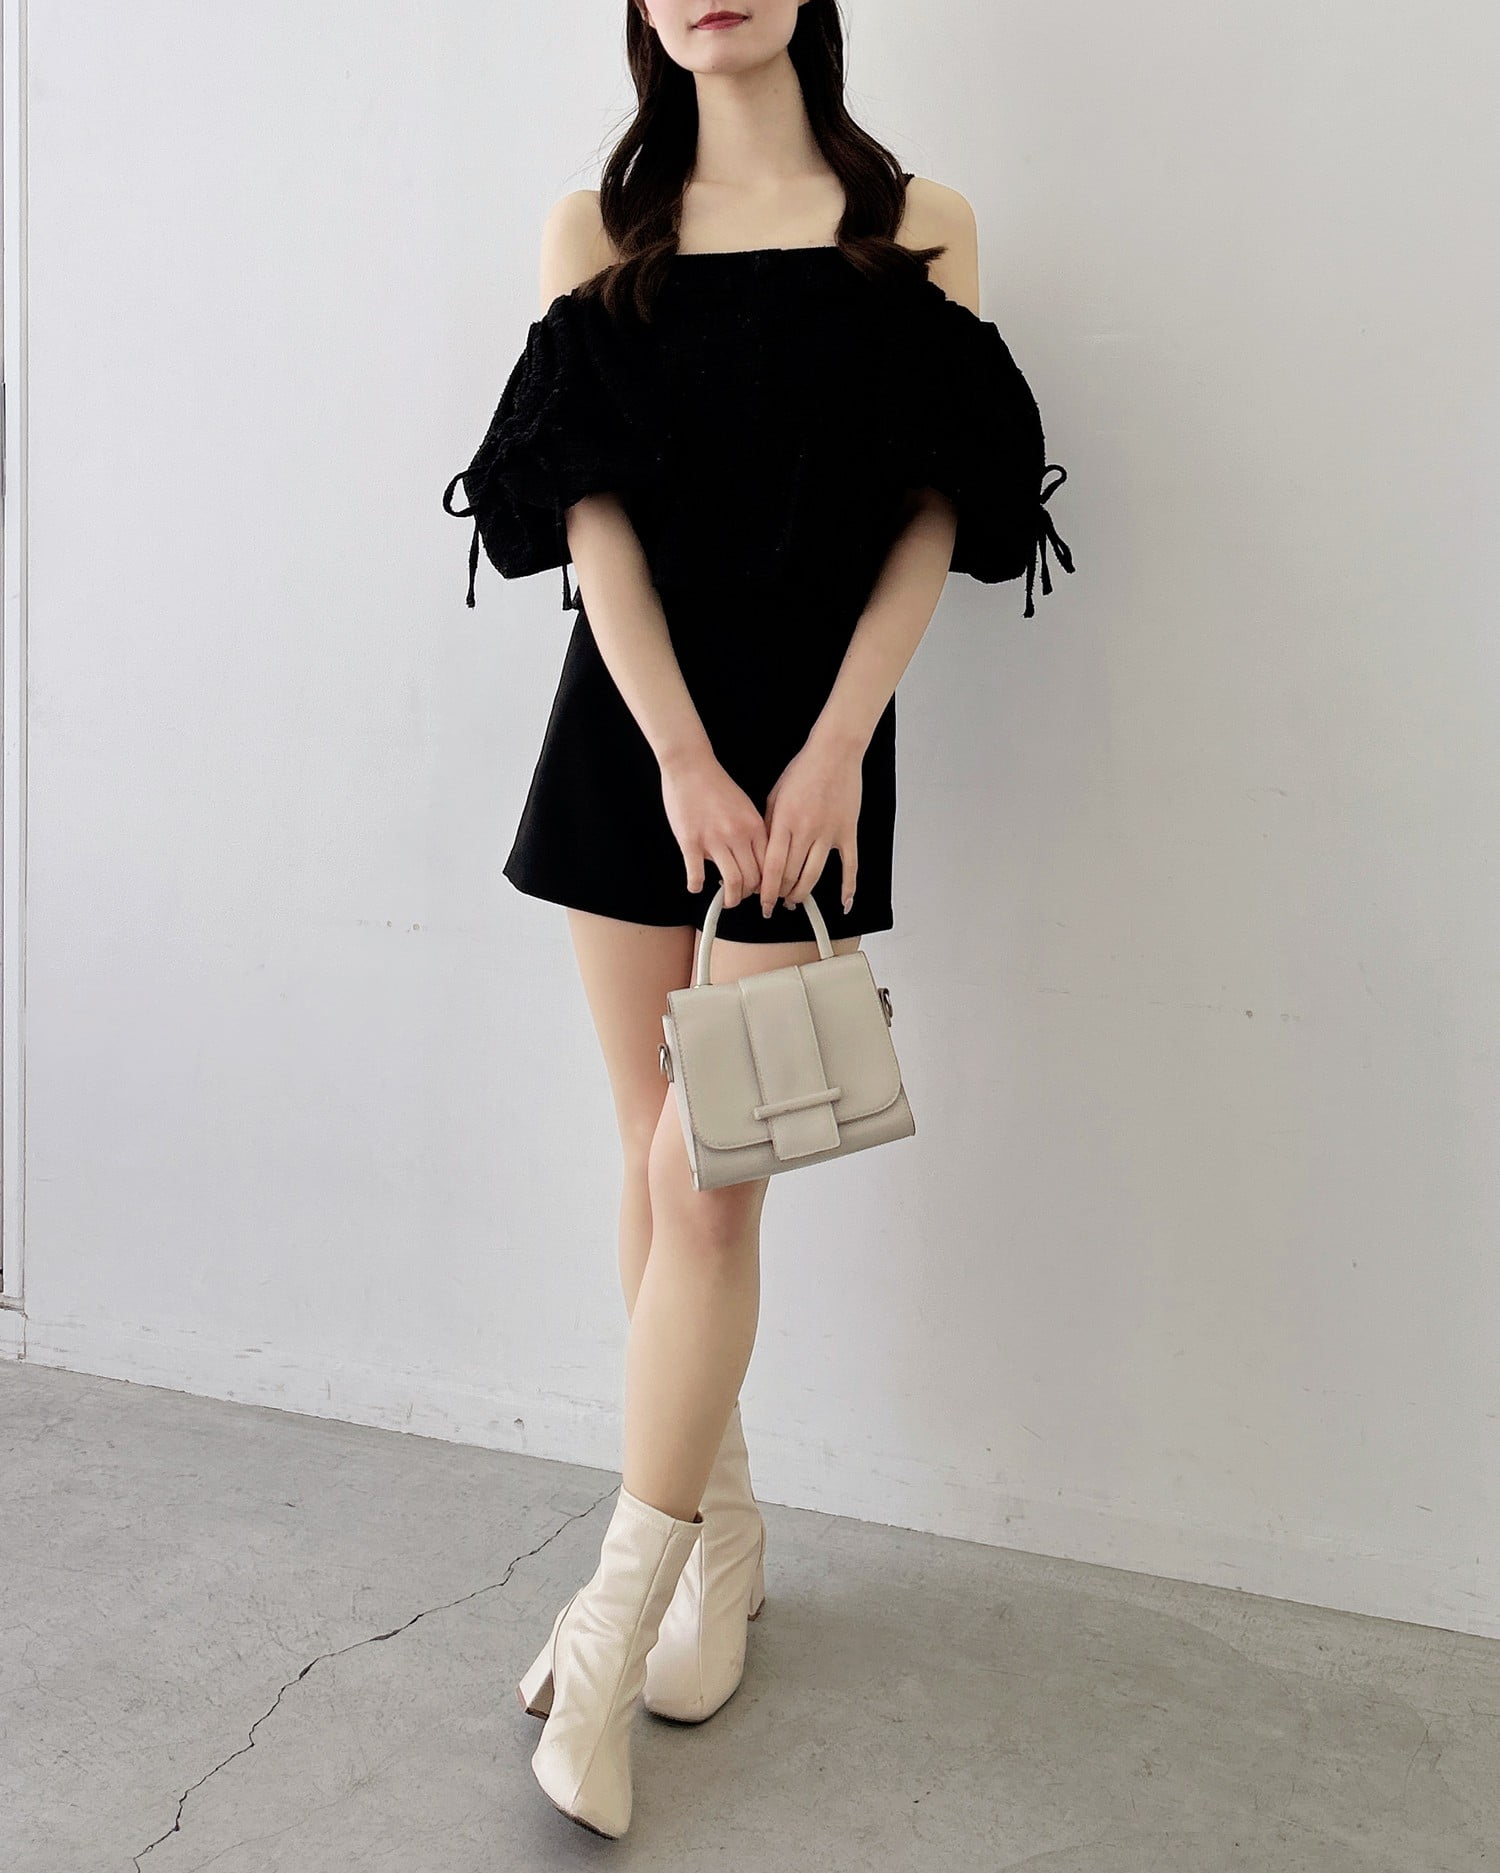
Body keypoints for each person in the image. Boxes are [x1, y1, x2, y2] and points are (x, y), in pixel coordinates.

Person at [441, 0, 1074, 1839]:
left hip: (811, 769)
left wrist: (836, 749)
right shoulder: (600, 232)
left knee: (709, 1174)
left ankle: (606, 1618)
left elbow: (943, 512)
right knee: (654, 1156)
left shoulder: (920, 225)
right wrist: (679, 756)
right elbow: (590, 523)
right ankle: (721, 1546)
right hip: (636, 745)